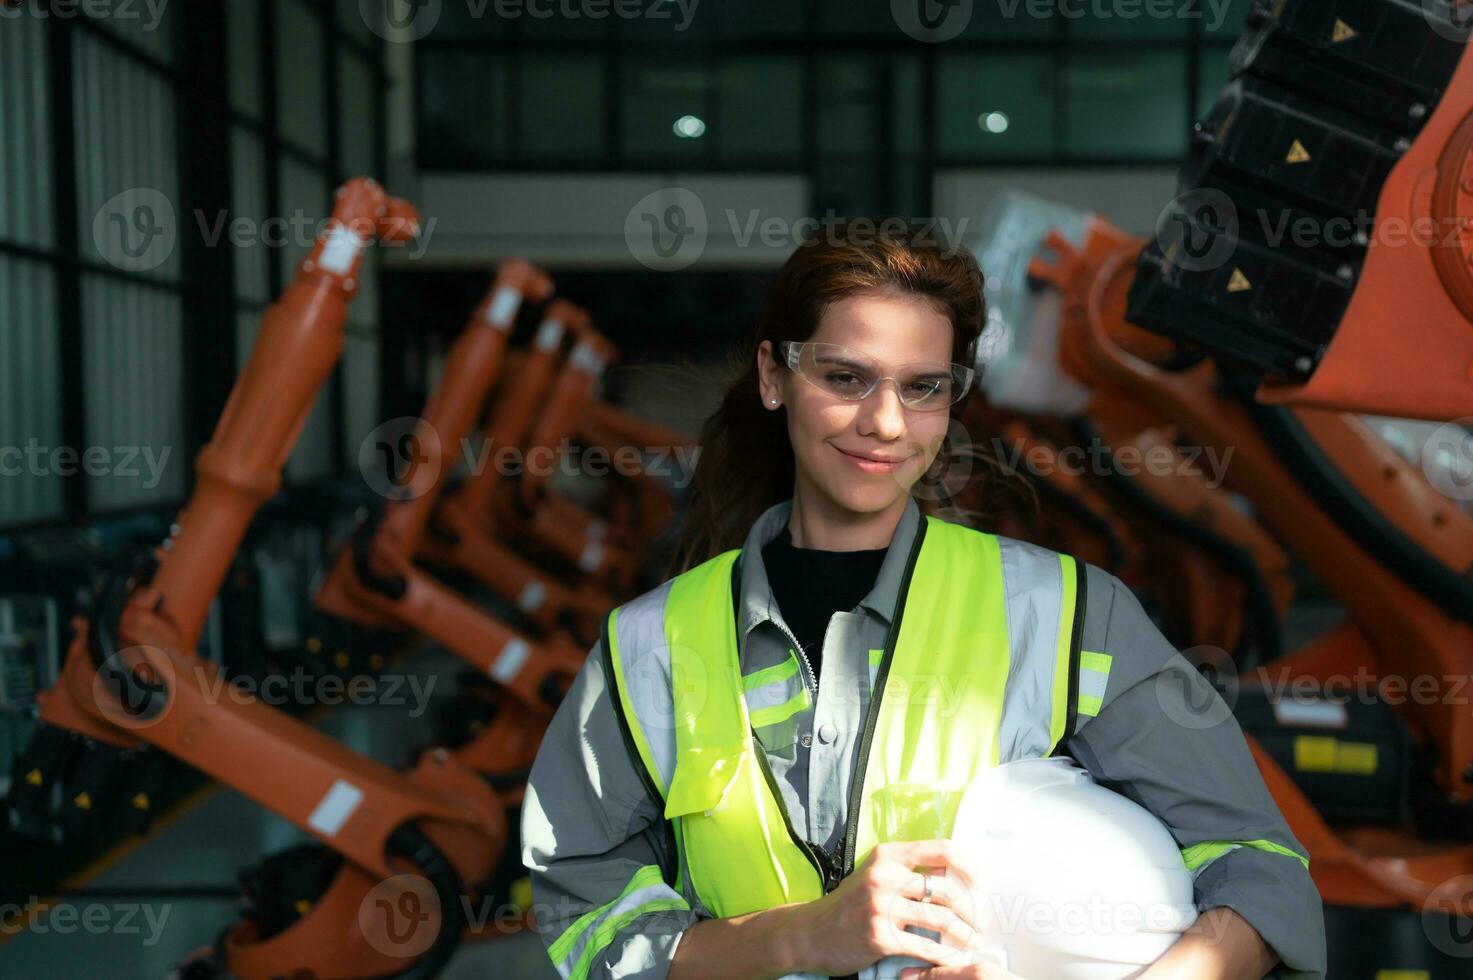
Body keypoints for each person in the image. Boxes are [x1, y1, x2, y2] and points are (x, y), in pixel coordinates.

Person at [521, 225, 1326, 980]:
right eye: (844, 378)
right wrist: (803, 934)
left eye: (922, 388)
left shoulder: (1068, 614)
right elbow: (580, 905)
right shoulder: (648, 646)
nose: (882, 422)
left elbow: (1260, 869)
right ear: (774, 377)